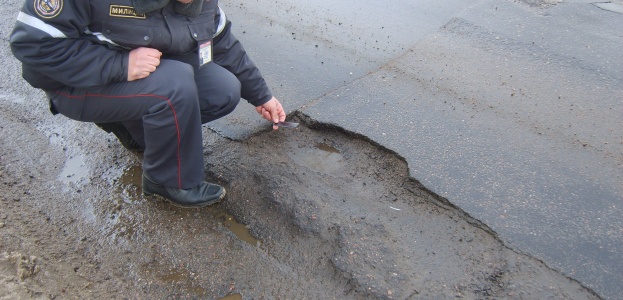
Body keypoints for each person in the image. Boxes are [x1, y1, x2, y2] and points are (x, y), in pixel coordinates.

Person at [9, 0, 287, 208]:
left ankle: (133, 128)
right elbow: (32, 45)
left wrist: (262, 95)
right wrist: (120, 65)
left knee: (224, 89)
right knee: (174, 83)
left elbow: (222, 42)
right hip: (75, 85)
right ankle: (167, 181)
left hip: (138, 78)